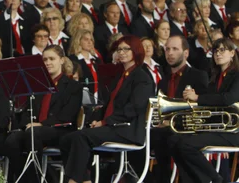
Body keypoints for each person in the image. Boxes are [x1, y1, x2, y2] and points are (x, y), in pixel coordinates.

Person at [59, 35, 152, 183]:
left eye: (126, 49)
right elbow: (109, 104)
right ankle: (84, 180)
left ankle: (74, 181)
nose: (121, 52)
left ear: (136, 50)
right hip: (114, 126)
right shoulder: (121, 75)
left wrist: (105, 122)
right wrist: (98, 119)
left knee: (81, 137)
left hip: (127, 130)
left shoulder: (142, 76)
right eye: (119, 49)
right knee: (66, 139)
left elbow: (133, 108)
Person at [5, 45, 83, 181]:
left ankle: (40, 178)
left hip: (61, 130)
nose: (47, 63)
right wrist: (26, 124)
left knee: (33, 133)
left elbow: (67, 116)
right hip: (36, 130)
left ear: (62, 60)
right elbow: (27, 111)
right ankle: (27, 179)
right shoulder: (37, 84)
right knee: (12, 139)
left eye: (52, 59)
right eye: (45, 59)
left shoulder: (73, 86)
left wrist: (41, 124)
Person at [169, 38, 239, 183]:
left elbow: (228, 99)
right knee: (173, 141)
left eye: (222, 50)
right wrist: (192, 97)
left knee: (186, 145)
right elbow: (208, 100)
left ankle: (216, 179)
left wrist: (198, 97)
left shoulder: (237, 75)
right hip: (216, 128)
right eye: (215, 51)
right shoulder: (215, 77)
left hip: (232, 131)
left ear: (232, 53)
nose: (218, 54)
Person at [149, 35, 209, 183]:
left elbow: (204, 108)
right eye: (167, 49)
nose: (170, 53)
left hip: (188, 130)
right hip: (165, 132)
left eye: (175, 49)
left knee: (166, 138)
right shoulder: (164, 80)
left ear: (186, 53)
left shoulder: (198, 75)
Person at [68, 29, 102, 103]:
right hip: (81, 100)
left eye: (91, 40)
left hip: (99, 100)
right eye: (86, 39)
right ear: (78, 41)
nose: (90, 42)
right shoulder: (73, 60)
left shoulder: (97, 60)